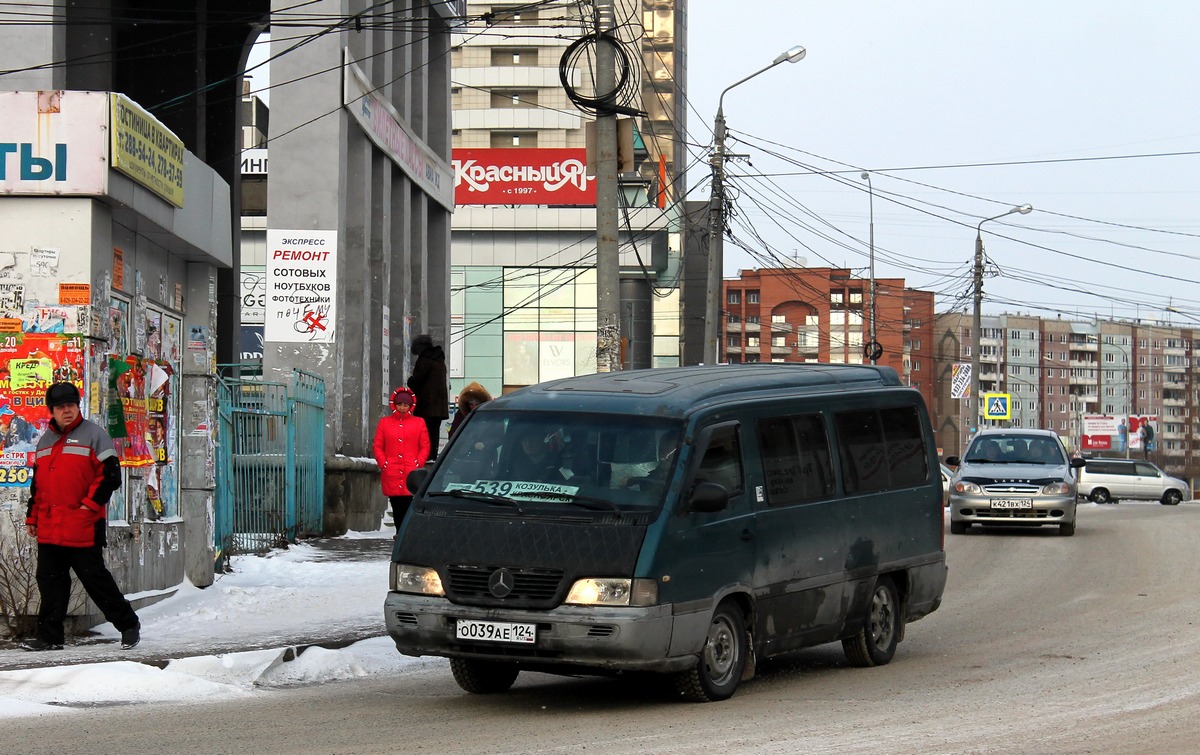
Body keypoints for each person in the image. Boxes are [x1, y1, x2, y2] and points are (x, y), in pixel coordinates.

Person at [23, 382, 141, 652]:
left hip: (83, 525)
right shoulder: (45, 441)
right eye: (61, 407)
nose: (67, 411)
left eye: (71, 405)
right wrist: (33, 517)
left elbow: (110, 477)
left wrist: (89, 508)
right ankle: (50, 637)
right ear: (51, 411)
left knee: (95, 580)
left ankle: (128, 624)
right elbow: (38, 485)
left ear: (78, 406)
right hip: (51, 526)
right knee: (50, 582)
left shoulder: (94, 435)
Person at [373, 387, 430, 527]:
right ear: (395, 404)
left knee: (409, 506)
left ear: (410, 406)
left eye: (405, 405)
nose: (402, 408)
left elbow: (425, 445)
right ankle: (399, 532)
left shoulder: (419, 422)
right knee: (396, 505)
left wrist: (418, 463)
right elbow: (378, 446)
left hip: (411, 471)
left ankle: (405, 533)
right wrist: (384, 463)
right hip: (391, 471)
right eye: (400, 404)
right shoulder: (385, 422)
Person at [407, 334, 449, 462]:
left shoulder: (424, 360)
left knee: (424, 432)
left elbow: (417, 381)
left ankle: (425, 456)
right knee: (434, 431)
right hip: (439, 406)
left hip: (426, 404)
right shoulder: (439, 360)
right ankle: (432, 455)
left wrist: (410, 381)